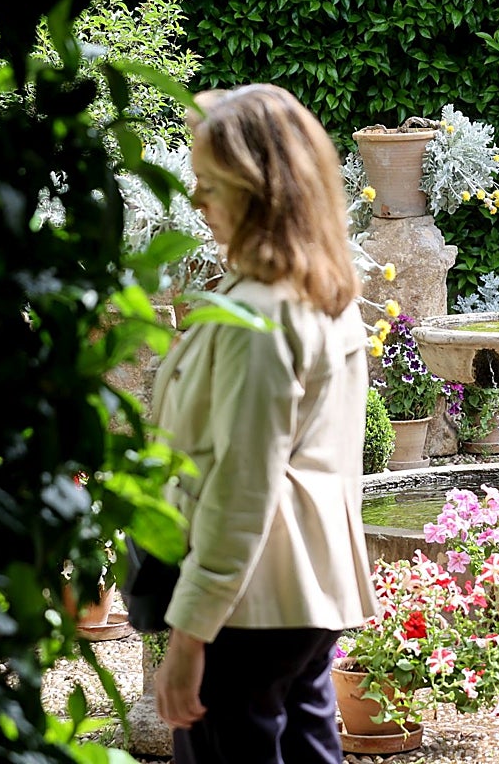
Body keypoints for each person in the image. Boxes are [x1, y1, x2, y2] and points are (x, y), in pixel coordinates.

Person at [151, 84, 378, 763]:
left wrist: (189, 635)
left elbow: (242, 484)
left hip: (247, 604)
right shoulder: (323, 293)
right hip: (305, 596)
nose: (196, 203)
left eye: (210, 185)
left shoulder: (259, 316)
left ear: (259, 192)